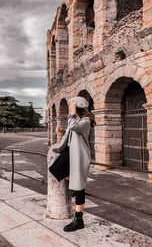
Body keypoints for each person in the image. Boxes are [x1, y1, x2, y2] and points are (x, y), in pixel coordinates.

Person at [55, 96, 96, 232]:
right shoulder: (78, 120)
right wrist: (62, 132)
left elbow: (73, 127)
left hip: (80, 157)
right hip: (71, 155)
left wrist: (72, 111)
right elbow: (72, 131)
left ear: (77, 108)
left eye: (72, 106)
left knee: (79, 187)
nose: (69, 109)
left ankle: (79, 219)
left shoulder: (86, 120)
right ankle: (73, 184)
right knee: (55, 169)